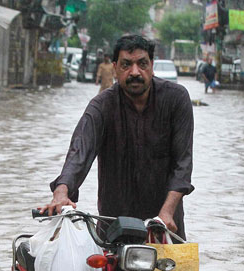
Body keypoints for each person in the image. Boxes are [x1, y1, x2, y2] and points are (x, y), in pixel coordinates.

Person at [41, 35, 194, 239]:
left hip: (165, 224)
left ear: (151, 66)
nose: (135, 72)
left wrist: (167, 212)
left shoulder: (176, 99)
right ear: (115, 68)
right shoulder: (102, 106)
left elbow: (183, 164)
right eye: (126, 65)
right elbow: (80, 151)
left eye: (142, 64)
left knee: (177, 270)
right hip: (114, 226)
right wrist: (61, 191)